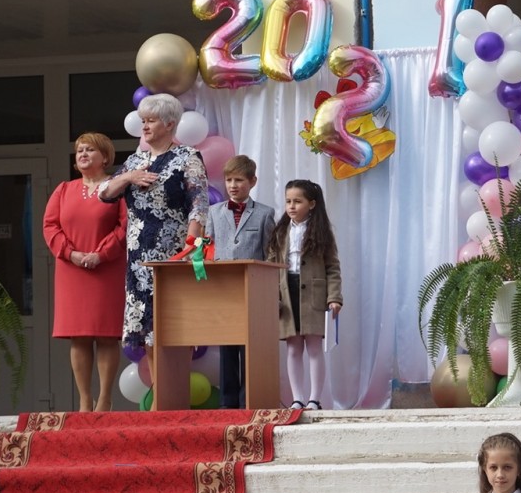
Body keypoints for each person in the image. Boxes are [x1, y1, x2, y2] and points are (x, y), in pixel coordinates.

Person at [98, 95, 209, 360]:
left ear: (170, 124)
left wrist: (191, 249)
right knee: (146, 327)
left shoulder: (187, 157)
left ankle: (175, 383)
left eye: (151, 121)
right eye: (143, 121)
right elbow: (104, 193)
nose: (145, 127)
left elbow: (199, 206)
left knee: (174, 322)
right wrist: (129, 177)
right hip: (139, 257)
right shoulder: (135, 161)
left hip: (173, 254)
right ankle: (160, 384)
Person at [42, 133, 127, 411]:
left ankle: (104, 399)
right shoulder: (63, 190)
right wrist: (71, 254)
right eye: (79, 150)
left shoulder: (116, 189)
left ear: (105, 157)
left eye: (90, 150)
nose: (83, 154)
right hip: (72, 270)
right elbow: (50, 226)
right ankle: (84, 400)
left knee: (106, 334)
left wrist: (101, 254)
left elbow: (124, 227)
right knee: (78, 335)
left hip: (107, 269)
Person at [204, 154, 276, 409]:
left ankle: (249, 400)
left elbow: (270, 253)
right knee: (227, 344)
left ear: (252, 181)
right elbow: (208, 248)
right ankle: (228, 402)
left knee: (250, 346)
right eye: (229, 180)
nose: (233, 186)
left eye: (239, 180)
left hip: (252, 289)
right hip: (223, 289)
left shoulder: (265, 213)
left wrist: (270, 289)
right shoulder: (214, 212)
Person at [265, 179, 340, 410]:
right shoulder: (280, 232)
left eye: (297, 201)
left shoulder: (322, 233)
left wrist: (334, 297)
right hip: (287, 293)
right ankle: (297, 398)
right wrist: (271, 296)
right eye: (288, 201)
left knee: (314, 347)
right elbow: (271, 265)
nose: (291, 206)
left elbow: (332, 267)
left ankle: (314, 399)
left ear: (312, 204)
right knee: (293, 348)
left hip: (314, 295)